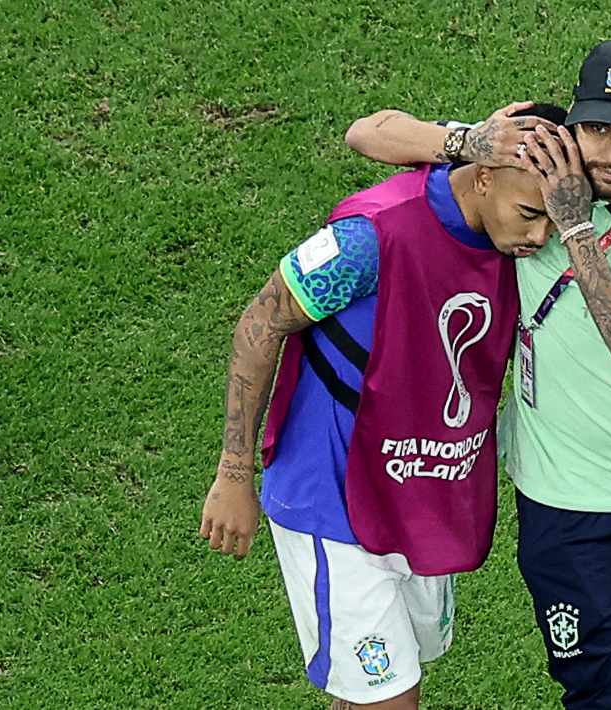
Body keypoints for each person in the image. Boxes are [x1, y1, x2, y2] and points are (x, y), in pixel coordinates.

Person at [345, 38, 611, 710]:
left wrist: (574, 223)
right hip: (567, 511)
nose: (608, 153)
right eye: (594, 129)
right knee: (601, 696)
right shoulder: (529, 169)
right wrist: (470, 141)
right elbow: (366, 133)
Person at [199, 104, 566, 710]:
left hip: (423, 493)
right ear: (482, 175)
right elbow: (259, 325)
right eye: (529, 215)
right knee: (391, 697)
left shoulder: (519, 242)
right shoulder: (371, 238)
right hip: (334, 495)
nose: (539, 238)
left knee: (373, 689)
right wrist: (234, 474)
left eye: (553, 223)